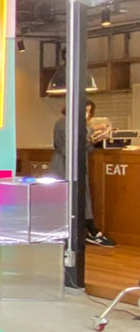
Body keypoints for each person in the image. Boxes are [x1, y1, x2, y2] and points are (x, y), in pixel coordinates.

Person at [49, 99, 115, 247]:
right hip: (64, 168)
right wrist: (92, 133)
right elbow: (70, 146)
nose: (86, 115)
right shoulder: (63, 123)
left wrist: (96, 140)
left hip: (78, 168)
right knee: (68, 200)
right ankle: (87, 231)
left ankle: (88, 230)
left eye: (88, 112)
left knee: (82, 199)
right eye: (84, 111)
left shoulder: (81, 126)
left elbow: (85, 148)